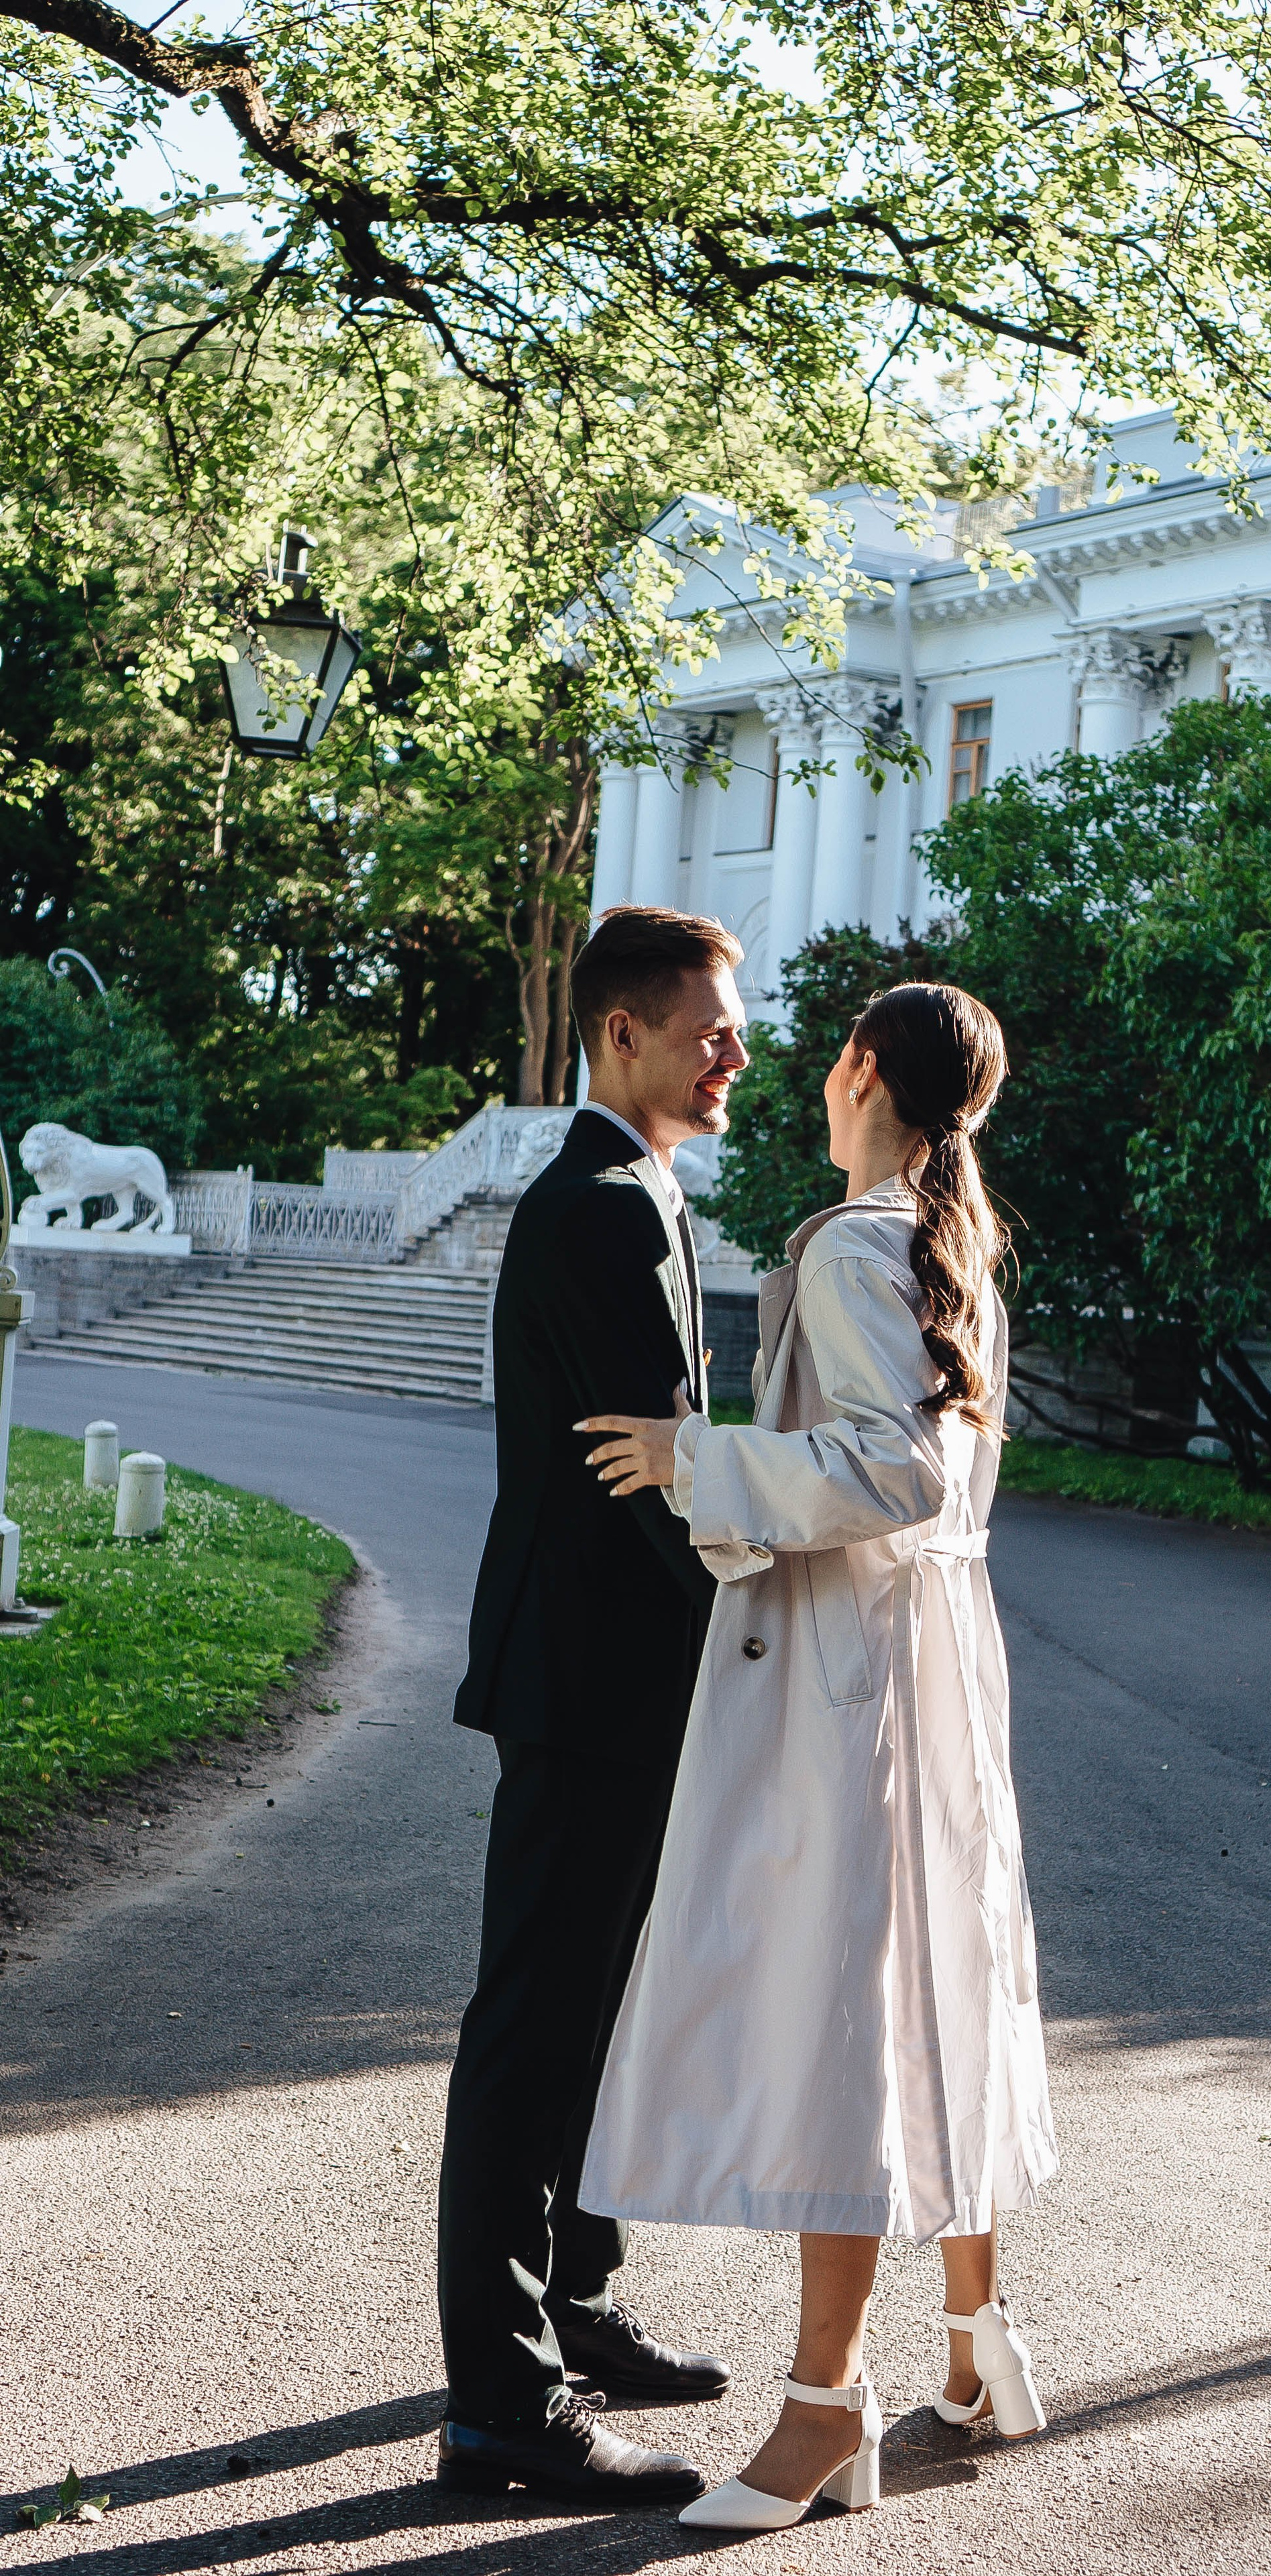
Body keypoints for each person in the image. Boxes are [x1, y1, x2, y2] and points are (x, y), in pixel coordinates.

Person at [577, 981, 1058, 2534]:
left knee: (841, 2017)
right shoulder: (944, 1234)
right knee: (940, 1981)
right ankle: (976, 2344)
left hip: (858, 1670)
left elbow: (898, 1469)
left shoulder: (862, 1241)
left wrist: (689, 1458)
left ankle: (820, 2410)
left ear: (862, 1070)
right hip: (929, 1663)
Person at [435, 906, 751, 2510]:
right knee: (534, 2029)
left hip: (618, 1675)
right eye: (709, 1029)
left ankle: (574, 2301)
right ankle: (501, 2401)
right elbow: (664, 1482)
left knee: (603, 2017)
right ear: (622, 1032)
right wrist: (772, 1622)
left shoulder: (637, 1191)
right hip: (589, 1679)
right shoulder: (600, 1211)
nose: (735, 1054)